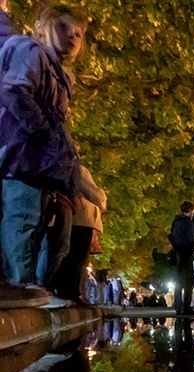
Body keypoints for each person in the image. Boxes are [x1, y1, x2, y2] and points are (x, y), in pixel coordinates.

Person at [0, 4, 88, 308]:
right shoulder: (32, 52)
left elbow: (62, 135)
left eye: (78, 33)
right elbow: (14, 92)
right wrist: (44, 134)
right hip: (23, 161)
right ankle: (18, 290)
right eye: (63, 28)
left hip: (41, 168)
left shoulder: (62, 76)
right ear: (44, 26)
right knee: (22, 223)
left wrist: (68, 180)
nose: (73, 37)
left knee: (32, 226)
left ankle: (23, 290)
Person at [50, 165, 106, 305]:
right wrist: (102, 198)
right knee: (77, 257)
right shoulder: (76, 166)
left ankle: (71, 292)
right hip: (83, 217)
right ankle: (70, 292)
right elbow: (94, 193)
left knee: (74, 256)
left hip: (80, 216)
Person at [169, 200, 194, 315]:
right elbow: (191, 238)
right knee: (188, 281)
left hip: (177, 253)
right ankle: (186, 306)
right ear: (190, 210)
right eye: (193, 211)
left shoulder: (176, 222)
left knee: (178, 281)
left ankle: (178, 307)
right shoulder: (188, 222)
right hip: (186, 252)